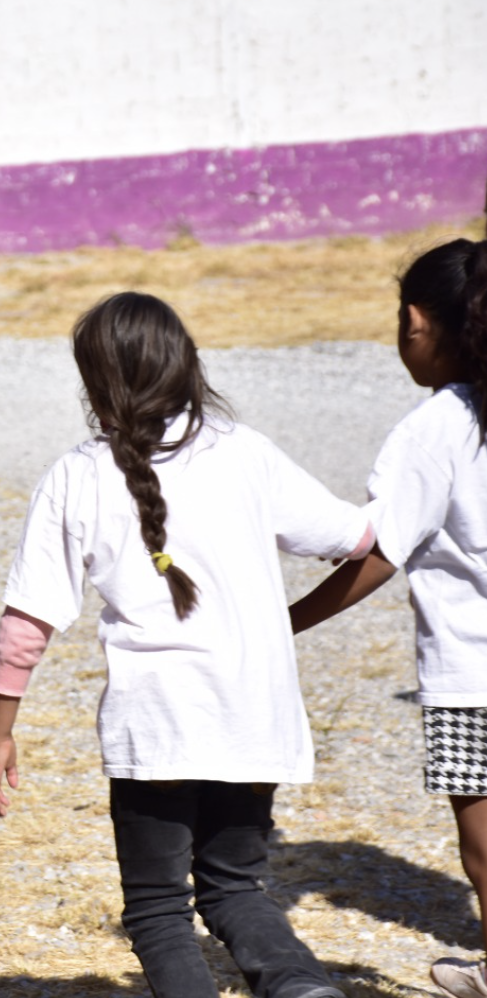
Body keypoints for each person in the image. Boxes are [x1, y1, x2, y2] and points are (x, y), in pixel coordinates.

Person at [0, 292, 370, 998]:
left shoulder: (77, 474)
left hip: (156, 721)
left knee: (161, 911)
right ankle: (302, 989)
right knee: (237, 891)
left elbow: (26, 622)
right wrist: (289, 622)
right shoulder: (247, 454)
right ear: (186, 366)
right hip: (253, 716)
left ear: (94, 382)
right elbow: (370, 544)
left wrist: (0, 733)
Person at [288, 239, 487, 998]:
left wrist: (285, 623)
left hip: (471, 674)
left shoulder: (435, 428)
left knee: (483, 850)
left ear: (417, 323)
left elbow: (378, 551)